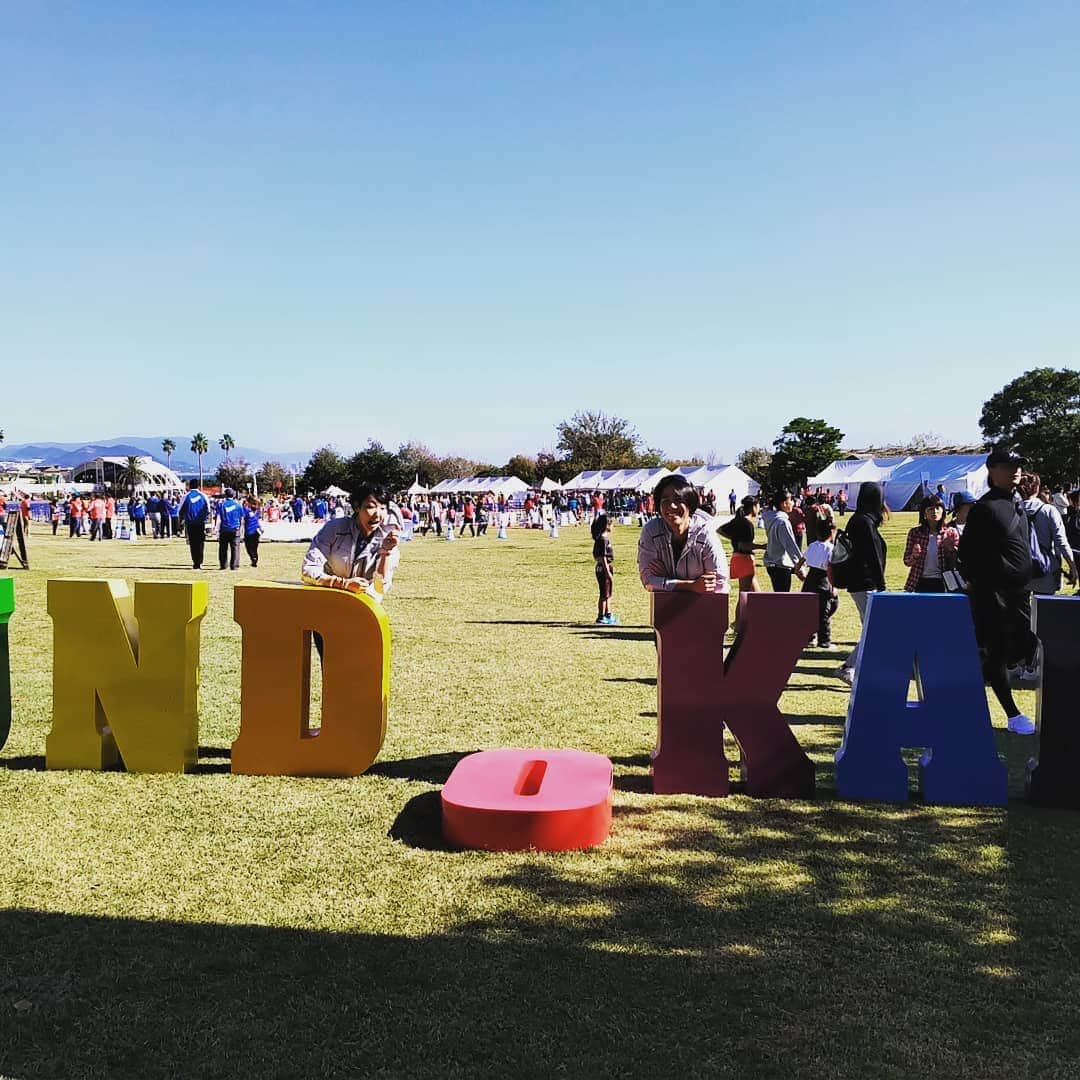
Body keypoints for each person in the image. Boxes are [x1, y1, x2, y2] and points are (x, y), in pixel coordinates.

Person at [958, 450, 1039, 735]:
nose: (1015, 470)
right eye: (1008, 466)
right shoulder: (985, 507)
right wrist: (986, 583)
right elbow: (966, 555)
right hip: (994, 595)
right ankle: (1013, 715)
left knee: (1019, 649)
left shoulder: (1016, 503)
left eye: (1018, 465)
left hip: (1020, 593)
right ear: (992, 470)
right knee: (995, 654)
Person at [302, 483, 402, 599]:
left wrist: (385, 553)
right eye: (370, 507)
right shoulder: (334, 529)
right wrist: (343, 584)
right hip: (326, 599)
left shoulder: (388, 540)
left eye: (383, 508)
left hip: (360, 606)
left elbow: (379, 588)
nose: (377, 515)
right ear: (356, 507)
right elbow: (308, 569)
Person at [637, 474, 729, 595]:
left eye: (678, 500)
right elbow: (648, 581)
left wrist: (667, 579)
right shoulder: (651, 531)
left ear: (690, 504)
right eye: (665, 501)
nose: (672, 506)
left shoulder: (705, 533)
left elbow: (718, 584)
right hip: (666, 608)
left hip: (705, 608)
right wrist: (691, 586)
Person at [835, 481, 888, 686]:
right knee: (875, 628)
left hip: (861, 583)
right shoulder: (864, 523)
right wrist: (882, 585)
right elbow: (874, 556)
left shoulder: (860, 520)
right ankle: (849, 667)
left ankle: (854, 666)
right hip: (865, 583)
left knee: (872, 628)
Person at [1018, 471, 1077, 596]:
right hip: (1046, 570)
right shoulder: (1048, 511)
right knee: (1045, 611)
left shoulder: (1013, 510)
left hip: (1020, 570)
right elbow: (1061, 542)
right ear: (1037, 488)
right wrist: (1072, 566)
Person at [718, 495, 764, 632]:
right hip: (744, 559)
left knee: (756, 594)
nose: (759, 508)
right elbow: (745, 545)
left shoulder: (737, 521)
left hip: (736, 558)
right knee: (744, 594)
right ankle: (738, 624)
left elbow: (720, 530)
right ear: (754, 506)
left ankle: (751, 622)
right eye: (759, 505)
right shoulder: (747, 524)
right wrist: (762, 547)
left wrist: (733, 539)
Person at [902, 495, 959, 593]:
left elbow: (958, 562)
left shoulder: (951, 532)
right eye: (931, 509)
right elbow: (907, 562)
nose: (935, 512)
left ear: (943, 511)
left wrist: (951, 549)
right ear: (924, 513)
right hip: (919, 581)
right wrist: (914, 556)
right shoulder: (915, 533)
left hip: (944, 582)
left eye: (938, 508)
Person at [801, 510, 838, 648]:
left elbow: (800, 562)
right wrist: (834, 586)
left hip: (810, 579)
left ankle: (809, 637)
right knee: (825, 612)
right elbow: (830, 568)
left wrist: (801, 574)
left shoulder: (812, 545)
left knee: (809, 611)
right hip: (823, 580)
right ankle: (824, 640)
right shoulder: (831, 549)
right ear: (832, 533)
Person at [762, 491, 806, 592]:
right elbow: (789, 544)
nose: (793, 503)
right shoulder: (782, 522)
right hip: (781, 564)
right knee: (782, 598)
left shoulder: (770, 517)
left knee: (779, 595)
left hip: (772, 562)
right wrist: (800, 564)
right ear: (784, 504)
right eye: (791, 500)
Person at [178, 480, 210, 569]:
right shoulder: (203, 496)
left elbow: (180, 510)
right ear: (198, 486)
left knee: (193, 543)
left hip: (190, 523)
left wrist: (180, 523)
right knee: (200, 542)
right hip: (200, 523)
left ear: (189, 486)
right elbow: (208, 510)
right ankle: (200, 562)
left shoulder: (186, 496)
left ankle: (195, 562)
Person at [216, 488, 244, 570]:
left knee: (223, 548)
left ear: (225, 495)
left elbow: (218, 517)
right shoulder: (238, 505)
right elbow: (241, 518)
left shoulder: (222, 505)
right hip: (235, 528)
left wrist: (216, 529)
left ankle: (223, 565)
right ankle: (234, 566)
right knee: (235, 548)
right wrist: (241, 529)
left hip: (224, 528)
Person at [243, 495, 262, 568]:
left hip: (249, 532)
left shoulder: (247, 510)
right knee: (254, 547)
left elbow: (243, 516)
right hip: (256, 532)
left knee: (249, 547)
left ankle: (253, 558)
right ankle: (254, 559)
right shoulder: (257, 510)